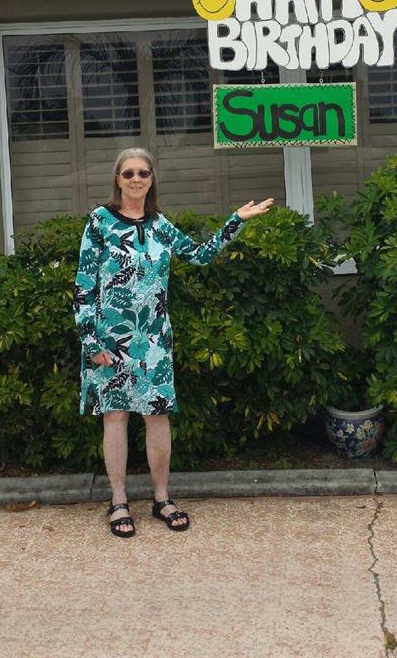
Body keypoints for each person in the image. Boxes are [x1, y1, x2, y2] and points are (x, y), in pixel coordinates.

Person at [73, 146, 274, 538]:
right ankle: (118, 501)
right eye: (128, 173)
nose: (135, 179)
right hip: (109, 342)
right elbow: (83, 286)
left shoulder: (161, 225)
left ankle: (162, 498)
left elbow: (199, 256)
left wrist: (236, 221)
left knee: (157, 417)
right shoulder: (99, 222)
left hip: (153, 342)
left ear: (152, 180)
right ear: (117, 179)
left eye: (143, 173)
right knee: (115, 418)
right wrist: (89, 340)